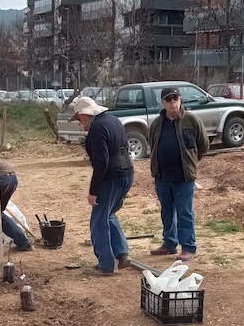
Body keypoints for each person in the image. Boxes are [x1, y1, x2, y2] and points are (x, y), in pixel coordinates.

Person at [70, 95, 134, 276]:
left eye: (79, 119)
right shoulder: (113, 120)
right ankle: (122, 253)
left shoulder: (97, 129)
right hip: (127, 174)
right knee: (109, 214)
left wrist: (93, 191)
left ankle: (105, 265)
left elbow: (101, 162)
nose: (80, 123)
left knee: (98, 221)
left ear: (85, 114)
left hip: (111, 177)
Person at [148, 85, 209, 262]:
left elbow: (203, 145)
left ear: (180, 100)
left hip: (183, 178)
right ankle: (169, 243)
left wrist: (190, 162)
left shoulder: (191, 120)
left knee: (184, 213)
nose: (172, 103)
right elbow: (152, 144)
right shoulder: (157, 124)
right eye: (168, 100)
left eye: (175, 99)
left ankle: (188, 247)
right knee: (166, 212)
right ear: (162, 103)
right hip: (162, 178)